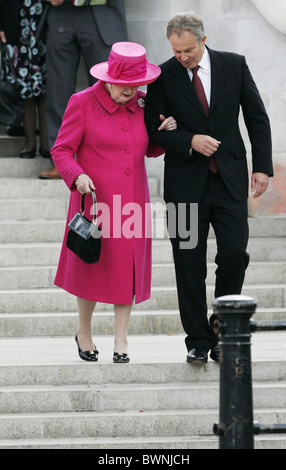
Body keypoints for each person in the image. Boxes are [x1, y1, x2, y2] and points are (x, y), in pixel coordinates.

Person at [144, 12, 273, 364]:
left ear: (203, 39)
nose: (182, 57)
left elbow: (257, 117)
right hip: (184, 186)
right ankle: (198, 340)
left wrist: (262, 168)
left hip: (229, 180)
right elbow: (151, 132)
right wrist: (189, 140)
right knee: (188, 265)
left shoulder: (234, 65)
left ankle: (223, 328)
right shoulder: (161, 76)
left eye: (188, 50)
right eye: (176, 52)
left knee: (234, 254)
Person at [51, 41, 176, 363]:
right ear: (108, 79)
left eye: (137, 86)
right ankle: (84, 331)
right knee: (90, 266)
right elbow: (61, 150)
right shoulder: (81, 102)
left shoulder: (143, 104)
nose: (130, 92)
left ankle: (121, 339)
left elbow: (146, 149)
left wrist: (163, 134)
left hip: (132, 199)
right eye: (125, 87)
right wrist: (76, 175)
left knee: (127, 270)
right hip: (95, 199)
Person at [38, 0, 128, 180]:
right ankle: (61, 162)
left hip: (102, 11)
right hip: (61, 11)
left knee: (108, 90)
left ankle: (112, 157)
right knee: (58, 89)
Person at [0, 0, 49, 158]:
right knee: (23, 85)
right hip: (16, 27)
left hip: (45, 26)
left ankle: (47, 143)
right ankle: (29, 143)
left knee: (46, 85)